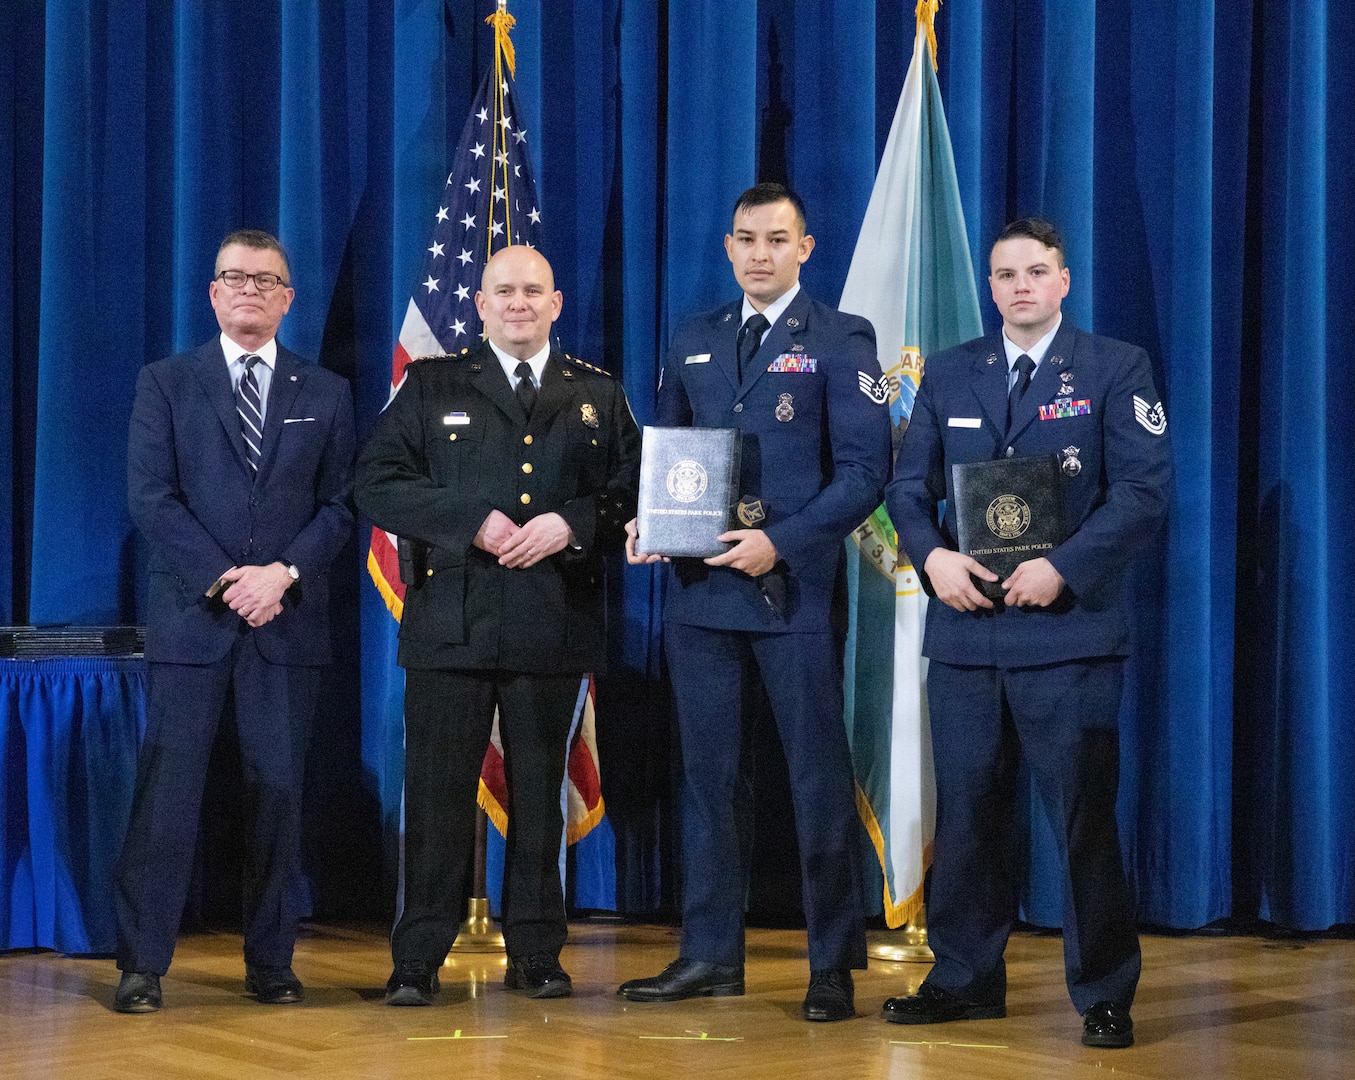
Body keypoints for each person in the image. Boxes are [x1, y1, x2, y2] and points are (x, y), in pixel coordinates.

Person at [880, 218, 1173, 1048]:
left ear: (1063, 281)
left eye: (1034, 272)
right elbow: (906, 490)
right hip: (967, 636)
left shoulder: (1115, 368)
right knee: (968, 815)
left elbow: (1143, 492)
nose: (1018, 286)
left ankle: (1104, 993)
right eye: (1004, 273)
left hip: (1066, 635)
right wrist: (932, 557)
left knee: (1080, 819)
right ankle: (964, 978)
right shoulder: (947, 372)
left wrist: (1065, 567)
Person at [619, 183, 892, 1023]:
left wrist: (784, 542)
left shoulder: (843, 339)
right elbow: (665, 457)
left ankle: (831, 964)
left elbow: (862, 474)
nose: (760, 253)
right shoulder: (696, 336)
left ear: (805, 248)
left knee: (814, 779)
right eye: (746, 239)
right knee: (708, 781)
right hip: (700, 597)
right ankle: (709, 955)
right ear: (728, 246)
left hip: (791, 593)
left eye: (777, 239)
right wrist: (647, 522)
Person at [355, 245, 641, 1005]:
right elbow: (375, 483)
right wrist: (468, 521)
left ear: (556, 303)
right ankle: (417, 959)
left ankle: (537, 953)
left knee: (540, 797)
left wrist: (572, 524)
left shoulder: (597, 394)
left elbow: (635, 489)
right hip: (450, 622)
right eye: (503, 291)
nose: (518, 303)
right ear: (479, 305)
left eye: (533, 291)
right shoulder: (430, 383)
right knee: (437, 797)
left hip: (552, 621)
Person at [114, 230, 355, 1012]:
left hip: (285, 627)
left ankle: (272, 964)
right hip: (193, 622)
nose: (249, 289)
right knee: (168, 795)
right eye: (234, 277)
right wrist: (227, 580)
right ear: (213, 294)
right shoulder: (166, 382)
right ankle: (142, 965)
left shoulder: (326, 392)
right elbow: (152, 498)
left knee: (278, 796)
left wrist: (280, 575)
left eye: (267, 279)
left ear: (288, 298)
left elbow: (342, 505)